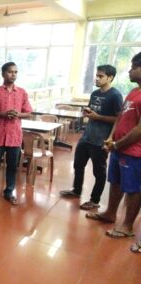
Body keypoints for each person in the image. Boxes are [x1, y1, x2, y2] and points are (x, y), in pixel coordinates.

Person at [85, 52, 141, 250]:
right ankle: (110, 213)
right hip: (118, 147)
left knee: (133, 189)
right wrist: (111, 139)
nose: (130, 70)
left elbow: (139, 129)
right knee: (115, 182)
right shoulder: (134, 92)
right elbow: (121, 118)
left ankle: (126, 226)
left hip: (135, 152)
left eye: (134, 67)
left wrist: (117, 144)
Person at [60, 65, 123, 209]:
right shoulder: (95, 93)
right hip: (86, 136)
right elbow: (92, 111)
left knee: (98, 172)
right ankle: (76, 190)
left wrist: (98, 117)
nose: (97, 78)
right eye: (97, 75)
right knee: (78, 165)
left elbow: (119, 119)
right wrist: (87, 112)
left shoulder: (115, 96)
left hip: (100, 140)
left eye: (101, 76)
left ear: (110, 78)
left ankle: (94, 200)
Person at [0, 62, 32, 206]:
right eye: (10, 72)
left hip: (14, 136)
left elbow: (28, 112)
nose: (13, 75)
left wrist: (18, 114)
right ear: (3, 73)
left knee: (12, 166)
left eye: (16, 72)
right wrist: (3, 114)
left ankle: (9, 192)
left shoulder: (22, 92)